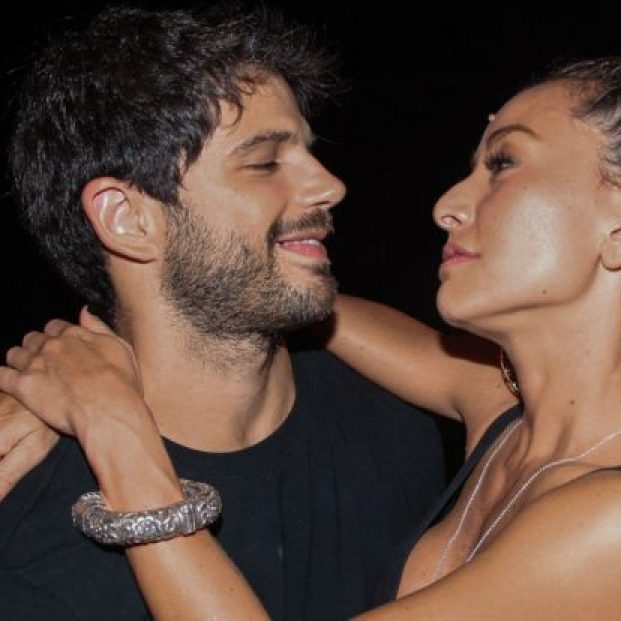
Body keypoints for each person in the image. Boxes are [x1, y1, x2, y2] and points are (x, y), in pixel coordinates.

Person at [5, 51, 621, 618]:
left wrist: (112, 424)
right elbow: (294, 310)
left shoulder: (608, 518)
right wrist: (88, 354)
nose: (447, 205)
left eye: (503, 163)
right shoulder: (508, 410)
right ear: (126, 217)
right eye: (264, 162)